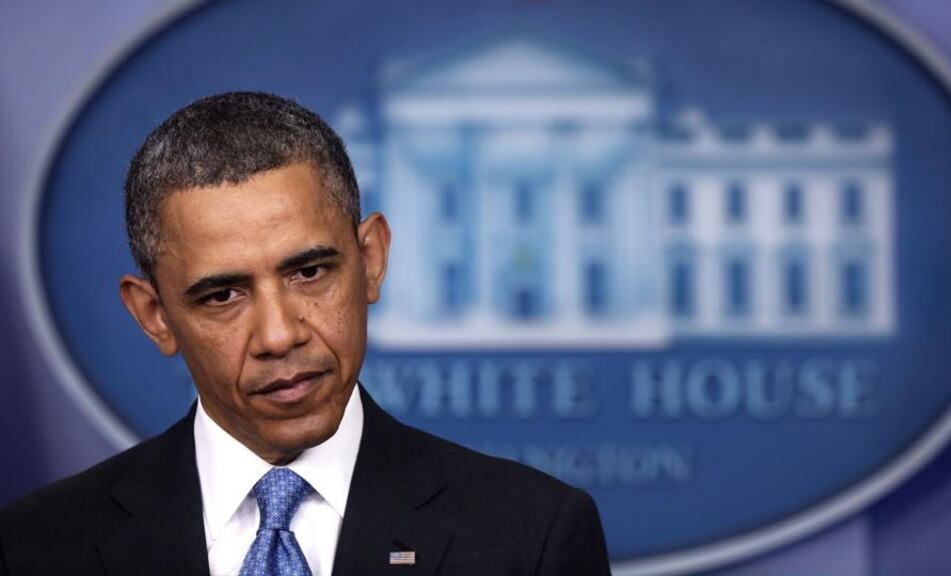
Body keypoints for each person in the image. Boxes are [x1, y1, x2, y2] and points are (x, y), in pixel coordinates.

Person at [0, 92, 610, 576]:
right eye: (223, 295)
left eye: (309, 271)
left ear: (371, 260)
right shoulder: (36, 546)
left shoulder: (531, 536)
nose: (279, 335)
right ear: (155, 315)